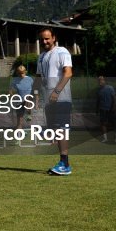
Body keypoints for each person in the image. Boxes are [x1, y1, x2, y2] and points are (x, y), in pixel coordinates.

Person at [37, 28, 72, 175]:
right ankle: (62, 163)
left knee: (61, 130)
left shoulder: (62, 51)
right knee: (55, 132)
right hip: (48, 101)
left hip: (61, 98)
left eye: (47, 38)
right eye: (42, 39)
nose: (45, 41)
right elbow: (39, 79)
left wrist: (56, 92)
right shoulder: (41, 57)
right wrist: (33, 96)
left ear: (54, 38)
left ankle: (65, 164)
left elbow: (68, 73)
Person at [9, 64, 35, 145]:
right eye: (20, 73)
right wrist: (12, 96)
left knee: (27, 99)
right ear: (17, 72)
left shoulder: (30, 79)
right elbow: (10, 90)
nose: (22, 75)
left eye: (23, 73)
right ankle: (18, 138)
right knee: (19, 121)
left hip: (28, 100)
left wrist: (35, 98)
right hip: (19, 101)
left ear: (25, 72)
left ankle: (29, 114)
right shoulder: (14, 80)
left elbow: (35, 90)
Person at [96, 75, 116, 143]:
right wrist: (96, 109)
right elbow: (98, 101)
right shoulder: (99, 90)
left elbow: (114, 97)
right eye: (99, 80)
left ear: (104, 81)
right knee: (103, 124)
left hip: (110, 109)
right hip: (102, 109)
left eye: (101, 80)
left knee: (113, 123)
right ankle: (105, 138)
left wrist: (114, 107)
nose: (100, 81)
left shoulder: (110, 88)